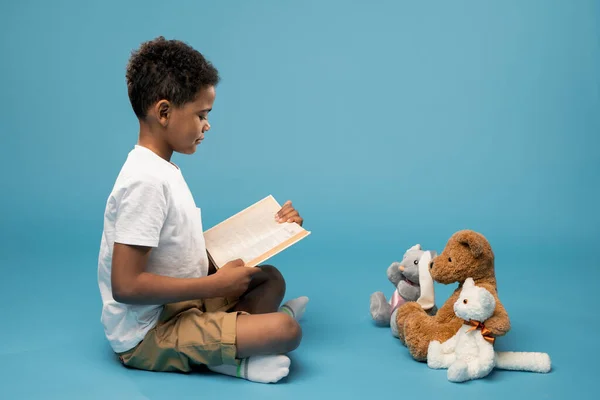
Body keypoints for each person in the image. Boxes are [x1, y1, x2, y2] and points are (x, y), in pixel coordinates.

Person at [97, 36, 309, 384]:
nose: (207, 125)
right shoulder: (144, 182)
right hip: (150, 332)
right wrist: (212, 287)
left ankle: (234, 338)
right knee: (287, 330)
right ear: (164, 112)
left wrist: (270, 230)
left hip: (184, 302)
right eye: (201, 115)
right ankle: (231, 359)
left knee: (270, 278)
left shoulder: (163, 169)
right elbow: (125, 285)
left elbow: (176, 251)